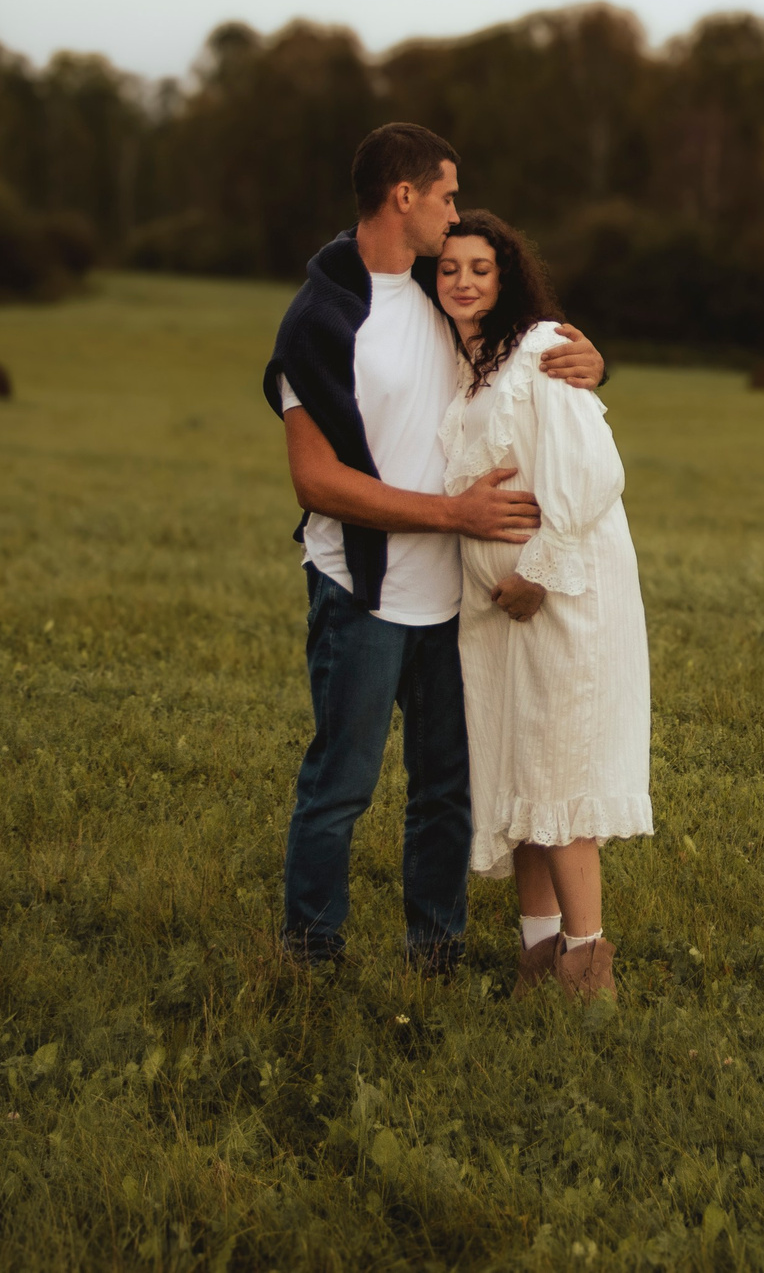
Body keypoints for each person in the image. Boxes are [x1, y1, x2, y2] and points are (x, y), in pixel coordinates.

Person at [262, 123, 605, 973]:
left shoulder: (436, 299)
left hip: (452, 597)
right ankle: (311, 955)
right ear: (403, 196)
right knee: (340, 786)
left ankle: (437, 953)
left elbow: (523, 352)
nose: (456, 214)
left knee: (446, 792)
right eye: (447, 195)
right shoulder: (321, 320)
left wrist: (591, 358)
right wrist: (453, 514)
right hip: (361, 591)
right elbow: (316, 482)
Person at [433, 209, 652, 1003]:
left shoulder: (537, 351)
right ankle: (536, 958)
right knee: (516, 773)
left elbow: (592, 474)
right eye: (449, 267)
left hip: (560, 600)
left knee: (559, 777)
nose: (461, 281)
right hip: (497, 617)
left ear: (508, 276)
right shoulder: (472, 364)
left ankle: (589, 970)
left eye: (479, 269)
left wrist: (538, 571)